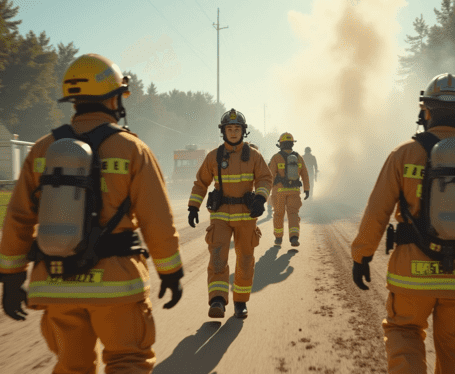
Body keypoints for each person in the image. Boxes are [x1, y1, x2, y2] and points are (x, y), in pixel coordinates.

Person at [0, 53, 184, 374]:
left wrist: (12, 277)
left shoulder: (42, 149)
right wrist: (171, 271)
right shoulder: (132, 149)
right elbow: (158, 218)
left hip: (56, 284)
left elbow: (17, 219)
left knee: (72, 367)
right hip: (116, 286)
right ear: (113, 97)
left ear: (74, 99)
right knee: (128, 362)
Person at [351, 73, 455, 374]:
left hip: (413, 275)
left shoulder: (404, 153)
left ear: (426, 111)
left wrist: (362, 255)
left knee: (405, 334)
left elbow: (377, 211)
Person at [187, 108, 272, 319]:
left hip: (246, 216)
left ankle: (240, 302)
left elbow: (265, 179)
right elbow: (201, 183)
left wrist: (261, 198)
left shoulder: (254, 156)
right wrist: (193, 206)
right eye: (229, 128)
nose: (233, 132)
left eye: (237, 128)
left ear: (244, 131)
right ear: (223, 131)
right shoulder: (213, 156)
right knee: (217, 258)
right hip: (220, 216)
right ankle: (217, 300)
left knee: (245, 259)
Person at [269, 133, 310, 247]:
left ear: (280, 144)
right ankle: (294, 237)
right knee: (293, 214)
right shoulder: (298, 157)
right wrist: (306, 189)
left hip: (279, 192)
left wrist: (267, 191)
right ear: (292, 144)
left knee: (278, 214)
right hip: (294, 191)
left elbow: (271, 175)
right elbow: (305, 174)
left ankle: (278, 238)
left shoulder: (276, 157)